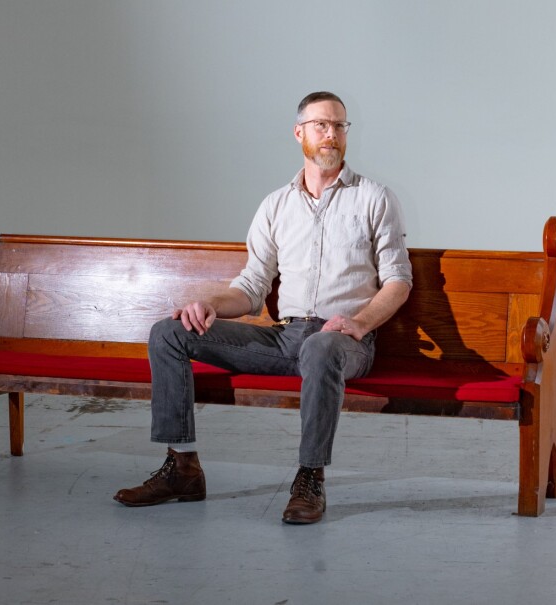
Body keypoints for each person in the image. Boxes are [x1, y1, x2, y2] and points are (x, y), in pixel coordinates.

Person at [114, 91, 413, 524]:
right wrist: (210, 304)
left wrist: (359, 322)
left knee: (322, 346)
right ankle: (182, 467)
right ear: (300, 133)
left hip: (345, 343)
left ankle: (310, 478)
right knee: (169, 331)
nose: (332, 135)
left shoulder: (374, 199)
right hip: (285, 337)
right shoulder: (276, 205)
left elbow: (398, 282)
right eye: (321, 125)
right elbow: (252, 287)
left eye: (340, 126)